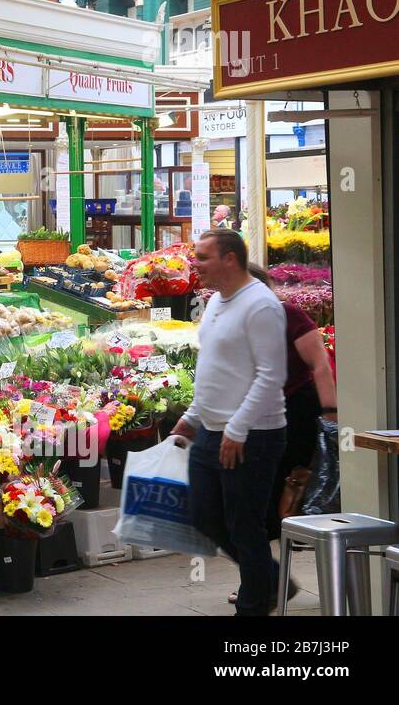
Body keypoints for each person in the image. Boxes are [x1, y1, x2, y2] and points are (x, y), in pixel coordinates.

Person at [171, 230, 288, 616]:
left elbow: (271, 375)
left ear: (230, 259)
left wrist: (238, 429)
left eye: (203, 257)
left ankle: (254, 606)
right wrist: (191, 417)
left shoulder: (261, 306)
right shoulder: (218, 302)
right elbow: (216, 368)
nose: (196, 264)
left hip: (252, 434)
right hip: (211, 429)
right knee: (204, 516)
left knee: (243, 525)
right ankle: (271, 579)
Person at [248, 265, 338, 535]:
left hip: (296, 405)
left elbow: (320, 364)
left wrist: (330, 413)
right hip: (259, 408)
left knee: (289, 472)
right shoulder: (241, 320)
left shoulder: (287, 314)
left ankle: (288, 525)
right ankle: (275, 529)